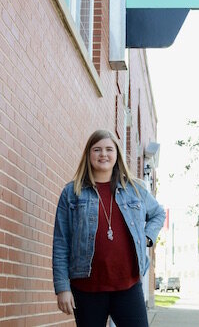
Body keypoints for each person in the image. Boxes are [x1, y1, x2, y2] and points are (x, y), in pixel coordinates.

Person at [52, 129, 166, 326]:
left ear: (117, 155)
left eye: (108, 149)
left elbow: (158, 213)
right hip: (86, 290)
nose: (103, 154)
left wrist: (148, 237)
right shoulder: (72, 193)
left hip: (128, 286)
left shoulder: (135, 189)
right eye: (97, 149)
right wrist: (62, 288)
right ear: (88, 155)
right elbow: (61, 243)